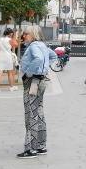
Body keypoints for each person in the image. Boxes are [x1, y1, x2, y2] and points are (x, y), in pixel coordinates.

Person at [17, 25, 57, 158]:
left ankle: (30, 148)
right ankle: (41, 145)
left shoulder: (34, 46)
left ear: (33, 35)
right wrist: (44, 69)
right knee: (39, 111)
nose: (24, 36)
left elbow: (39, 59)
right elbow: (53, 56)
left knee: (31, 113)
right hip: (41, 80)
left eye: (26, 34)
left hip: (33, 81)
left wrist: (29, 72)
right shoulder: (43, 45)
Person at [0, 28, 18, 93]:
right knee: (10, 72)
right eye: (12, 33)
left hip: (1, 56)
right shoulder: (10, 39)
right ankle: (12, 87)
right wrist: (14, 36)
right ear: (10, 33)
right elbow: (16, 44)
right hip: (8, 56)